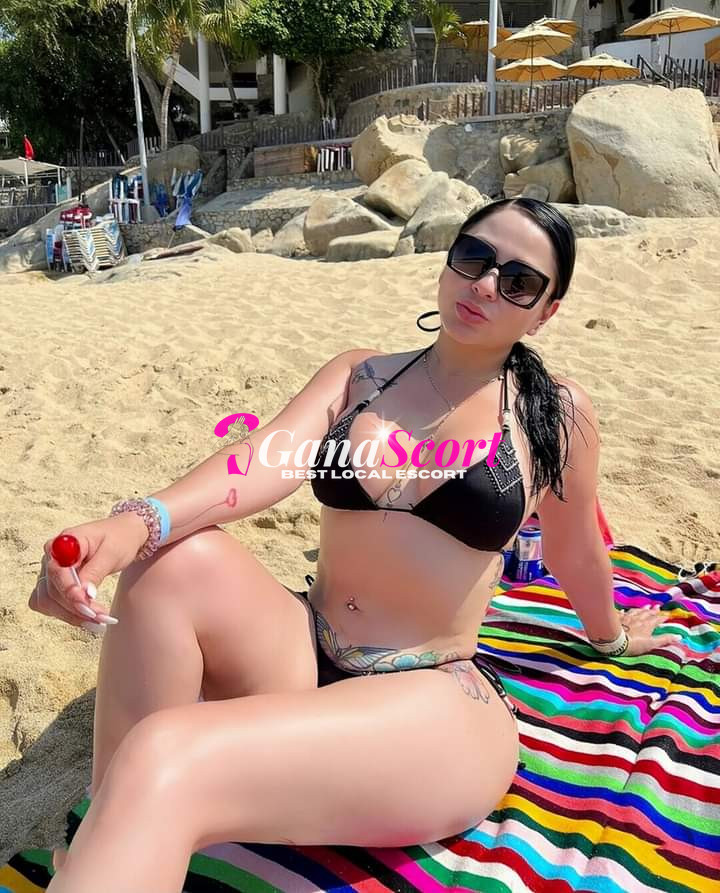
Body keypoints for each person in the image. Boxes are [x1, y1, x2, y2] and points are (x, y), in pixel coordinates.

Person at [32, 198, 679, 893]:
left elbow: (573, 550)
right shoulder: (362, 377)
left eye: (519, 281)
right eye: (474, 258)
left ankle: (124, 820)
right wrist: (135, 524)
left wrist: (612, 637)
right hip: (305, 650)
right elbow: (258, 462)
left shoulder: (554, 414)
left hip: (430, 701)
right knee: (169, 559)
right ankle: (115, 824)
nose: (487, 285)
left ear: (545, 311)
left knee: (164, 750)